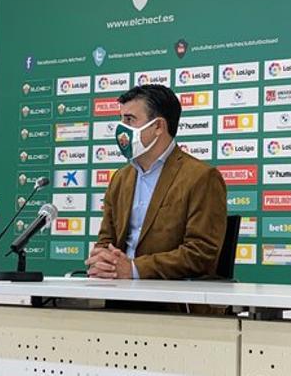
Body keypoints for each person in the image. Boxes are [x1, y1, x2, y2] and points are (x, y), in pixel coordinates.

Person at [86, 84, 227, 281]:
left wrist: (134, 269)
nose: (121, 129)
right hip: (117, 295)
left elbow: (201, 253)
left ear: (158, 126)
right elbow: (106, 241)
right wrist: (101, 260)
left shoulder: (201, 177)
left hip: (173, 301)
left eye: (129, 120)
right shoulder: (120, 178)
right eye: (121, 119)